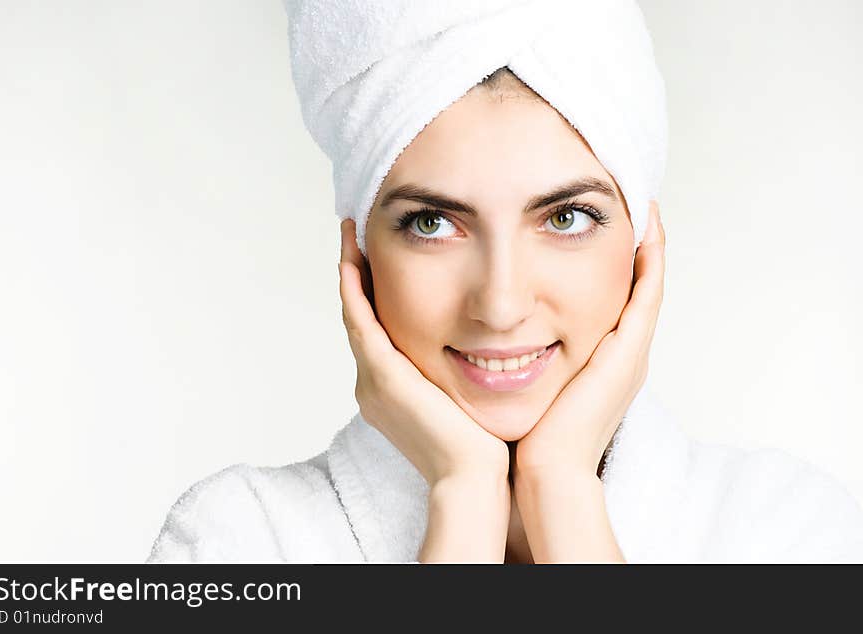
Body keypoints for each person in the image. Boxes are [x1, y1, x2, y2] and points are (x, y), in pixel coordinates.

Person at [146, 2, 863, 563]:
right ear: (361, 255)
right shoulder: (237, 544)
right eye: (432, 223)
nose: (500, 303)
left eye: (567, 218)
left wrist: (565, 499)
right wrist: (459, 507)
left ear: (643, 246)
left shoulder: (787, 532)